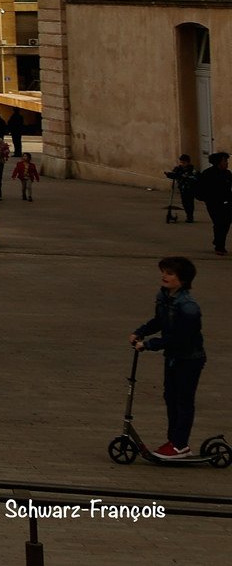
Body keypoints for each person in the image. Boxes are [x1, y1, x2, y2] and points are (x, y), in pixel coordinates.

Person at [131, 255, 207, 459]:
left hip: (189, 358)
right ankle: (173, 441)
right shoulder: (164, 296)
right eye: (163, 272)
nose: (164, 276)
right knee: (171, 397)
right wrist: (141, 331)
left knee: (183, 400)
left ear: (182, 280)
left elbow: (180, 338)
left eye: (170, 273)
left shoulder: (188, 307)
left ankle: (180, 444)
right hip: (173, 356)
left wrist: (148, 344)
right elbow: (160, 321)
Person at [197, 151, 232, 257]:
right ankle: (219, 246)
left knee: (225, 224)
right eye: (225, 161)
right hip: (214, 203)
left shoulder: (227, 173)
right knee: (219, 223)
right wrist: (207, 198)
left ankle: (218, 241)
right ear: (218, 162)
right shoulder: (208, 174)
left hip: (227, 203)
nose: (227, 163)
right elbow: (200, 189)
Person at [168, 154, 199, 223]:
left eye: (184, 162)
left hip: (190, 188)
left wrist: (186, 177)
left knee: (190, 202)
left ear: (188, 162)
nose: (182, 164)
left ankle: (190, 216)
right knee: (184, 202)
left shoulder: (192, 170)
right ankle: (188, 214)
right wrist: (170, 175)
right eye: (181, 162)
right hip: (182, 188)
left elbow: (195, 178)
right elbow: (174, 174)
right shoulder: (178, 169)